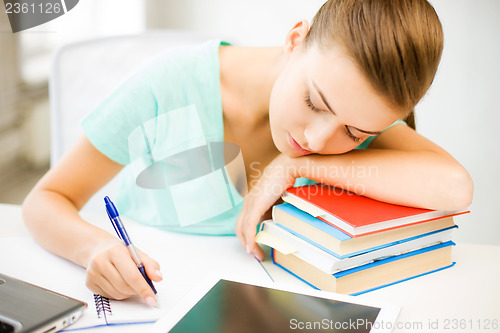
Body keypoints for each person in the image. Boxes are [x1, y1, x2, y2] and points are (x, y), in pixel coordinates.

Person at [22, 0, 473, 307]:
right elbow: (47, 199)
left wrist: (297, 165)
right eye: (315, 102)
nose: (318, 138)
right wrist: (95, 248)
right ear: (296, 38)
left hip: (268, 304)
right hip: (151, 293)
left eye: (354, 134)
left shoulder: (356, 118)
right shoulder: (166, 85)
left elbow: (456, 186)